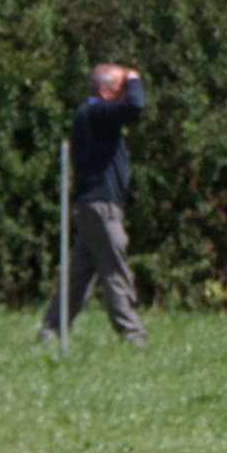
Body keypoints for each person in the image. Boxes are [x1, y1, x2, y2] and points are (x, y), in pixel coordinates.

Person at [40, 63, 150, 345]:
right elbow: (136, 107)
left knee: (79, 276)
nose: (125, 94)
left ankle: (51, 330)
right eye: (120, 89)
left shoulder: (90, 114)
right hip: (101, 206)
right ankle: (133, 334)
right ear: (104, 91)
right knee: (115, 269)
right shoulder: (97, 112)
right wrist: (135, 78)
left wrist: (126, 81)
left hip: (91, 204)